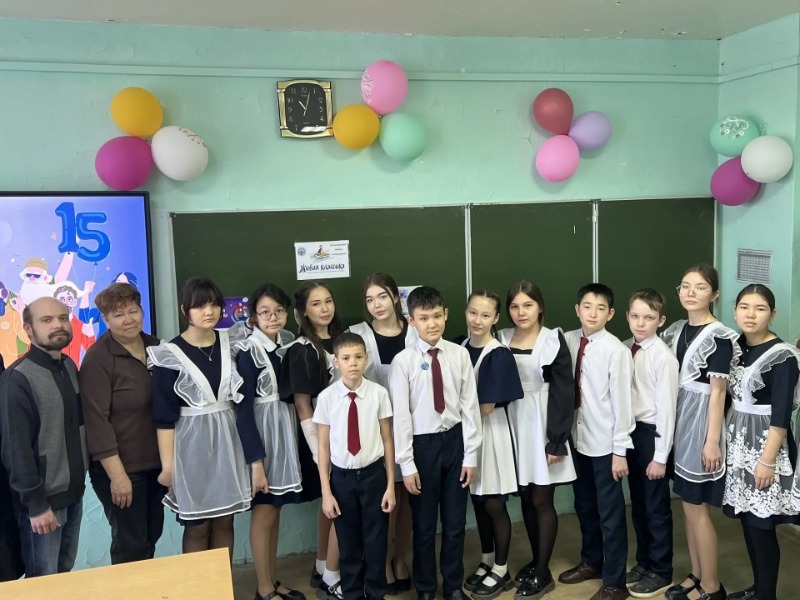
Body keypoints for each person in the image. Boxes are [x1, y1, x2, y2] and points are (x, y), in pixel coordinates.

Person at [148, 277, 259, 559]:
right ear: (184, 310)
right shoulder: (168, 355)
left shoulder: (232, 343)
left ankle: (222, 582)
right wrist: (168, 467)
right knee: (197, 526)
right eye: (199, 306)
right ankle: (197, 583)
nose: (209, 312)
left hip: (229, 444)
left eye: (214, 304)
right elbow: (164, 418)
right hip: (190, 448)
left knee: (225, 521)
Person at [389, 285, 482, 600]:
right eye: (424, 318)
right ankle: (426, 588)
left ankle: (453, 586)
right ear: (411, 321)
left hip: (455, 442)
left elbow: (470, 408)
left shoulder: (458, 355)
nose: (432, 324)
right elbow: (401, 416)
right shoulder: (403, 362)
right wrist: (407, 464)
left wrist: (471, 456)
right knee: (425, 526)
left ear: (446, 314)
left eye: (437, 316)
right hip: (422, 447)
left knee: (455, 523)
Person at [496, 281, 576, 600]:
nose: (521, 312)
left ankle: (543, 572)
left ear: (540, 307)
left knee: (542, 499)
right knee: (527, 499)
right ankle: (535, 560)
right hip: (512, 424)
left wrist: (556, 440)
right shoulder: (501, 337)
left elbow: (563, 392)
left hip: (542, 425)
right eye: (514, 306)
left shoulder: (552, 339)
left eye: (528, 305)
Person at [661, 264, 736, 600]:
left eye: (701, 287)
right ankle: (696, 574)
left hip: (701, 425)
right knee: (687, 506)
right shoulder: (677, 329)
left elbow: (718, 394)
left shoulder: (719, 336)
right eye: (685, 286)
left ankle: (712, 586)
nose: (691, 293)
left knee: (697, 508)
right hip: (680, 422)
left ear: (715, 294)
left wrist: (711, 442)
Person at [0, 297, 88, 577]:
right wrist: (36, 507)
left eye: (62, 318)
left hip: (73, 496)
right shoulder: (17, 380)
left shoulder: (69, 367)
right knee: (42, 583)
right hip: (42, 506)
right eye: (46, 320)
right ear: (28, 329)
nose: (57, 325)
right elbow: (16, 451)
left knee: (63, 574)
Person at [79, 283, 166, 564]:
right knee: (131, 544)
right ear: (105, 320)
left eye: (133, 311)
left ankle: (146, 586)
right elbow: (96, 423)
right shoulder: (98, 359)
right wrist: (118, 477)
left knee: (151, 535)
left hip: (156, 465)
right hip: (121, 470)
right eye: (118, 315)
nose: (128, 319)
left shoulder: (158, 347)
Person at [724, 284, 799, 600]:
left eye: (760, 308)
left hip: (767, 449)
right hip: (740, 445)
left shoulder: (783, 356)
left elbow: (781, 416)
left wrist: (766, 461)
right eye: (744, 307)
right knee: (747, 520)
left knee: (762, 524)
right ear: (735, 311)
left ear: (773, 314)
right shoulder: (735, 347)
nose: (750, 314)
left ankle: (767, 594)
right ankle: (758, 589)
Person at [560, 283, 634, 600]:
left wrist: (620, 451)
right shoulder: (567, 340)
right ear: (577, 309)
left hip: (606, 444)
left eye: (601, 308)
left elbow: (623, 405)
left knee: (610, 514)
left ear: (611, 314)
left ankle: (615, 582)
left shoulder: (616, 351)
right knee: (584, 505)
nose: (593, 313)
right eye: (587, 306)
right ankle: (592, 562)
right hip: (578, 439)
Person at [235, 284, 305, 600]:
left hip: (282, 435)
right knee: (264, 513)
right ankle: (264, 588)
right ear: (253, 317)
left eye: (278, 311)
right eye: (265, 312)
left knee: (275, 511)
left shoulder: (285, 345)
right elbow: (243, 411)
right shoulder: (248, 352)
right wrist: (256, 463)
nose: (273, 317)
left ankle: (273, 580)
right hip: (262, 442)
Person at [315, 331, 396, 600]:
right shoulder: (327, 398)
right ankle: (351, 594)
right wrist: (326, 492)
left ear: (366, 359)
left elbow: (387, 440)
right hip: (342, 479)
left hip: (374, 476)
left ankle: (376, 594)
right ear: (336, 362)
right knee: (348, 544)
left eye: (358, 357)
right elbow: (323, 447)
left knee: (376, 543)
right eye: (346, 358)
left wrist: (390, 486)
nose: (353, 363)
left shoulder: (378, 394)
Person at [348, 273, 416, 592]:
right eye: (369, 299)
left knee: (409, 499)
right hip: (375, 433)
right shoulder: (357, 335)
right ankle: (382, 563)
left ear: (396, 297)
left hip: (413, 429)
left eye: (382, 296)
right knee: (386, 502)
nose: (376, 305)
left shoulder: (415, 330)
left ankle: (400, 559)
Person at [279, 281, 344, 600]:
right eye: (316, 304)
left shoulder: (345, 340)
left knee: (331, 502)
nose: (325, 308)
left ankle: (322, 564)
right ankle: (332, 575)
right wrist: (319, 450)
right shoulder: (302, 349)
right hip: (323, 436)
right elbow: (302, 404)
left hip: (351, 431)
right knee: (338, 501)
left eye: (328, 301)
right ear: (303, 311)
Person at [456, 291, 523, 600]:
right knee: (478, 502)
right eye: (473, 312)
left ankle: (501, 568)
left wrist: (450, 416)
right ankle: (486, 560)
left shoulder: (498, 355)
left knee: (494, 503)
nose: (477, 320)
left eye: (485, 315)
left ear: (496, 318)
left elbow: (486, 406)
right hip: (467, 435)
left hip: (491, 435)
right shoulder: (458, 347)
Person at [623, 289, 679, 598]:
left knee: (656, 507)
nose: (640, 323)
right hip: (631, 434)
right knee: (639, 504)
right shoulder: (624, 348)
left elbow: (667, 410)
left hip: (652, 435)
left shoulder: (663, 357)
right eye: (635, 316)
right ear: (627, 316)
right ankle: (643, 562)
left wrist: (660, 457)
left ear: (661, 320)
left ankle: (661, 570)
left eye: (648, 317)